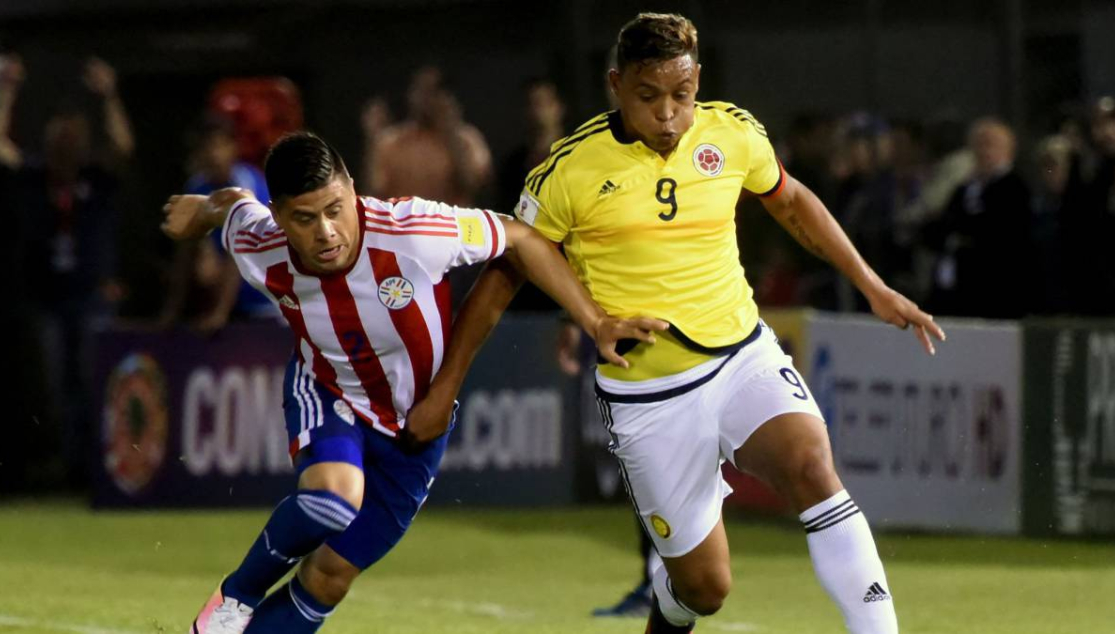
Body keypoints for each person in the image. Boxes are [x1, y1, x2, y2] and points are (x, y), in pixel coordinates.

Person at [403, 13, 944, 634]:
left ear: (697, 83)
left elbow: (789, 199)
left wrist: (871, 287)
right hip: (647, 394)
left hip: (743, 356)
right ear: (616, 84)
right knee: (705, 589)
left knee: (813, 470)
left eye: (681, 96)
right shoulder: (570, 169)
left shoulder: (733, 134)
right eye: (648, 96)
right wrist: (447, 385)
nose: (668, 113)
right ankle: (672, 596)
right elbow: (505, 274)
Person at [162, 132, 663, 633]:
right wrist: (206, 208)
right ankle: (235, 598)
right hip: (330, 391)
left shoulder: (415, 230)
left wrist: (594, 322)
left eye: (336, 209)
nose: (326, 232)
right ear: (281, 216)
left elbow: (524, 238)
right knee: (331, 499)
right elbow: (237, 206)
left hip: (413, 432)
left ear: (352, 188)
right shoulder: (262, 244)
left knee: (330, 577)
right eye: (305, 219)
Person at [159, 115, 276, 332]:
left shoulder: (247, 186)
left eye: (218, 145)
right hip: (228, 306)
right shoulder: (196, 188)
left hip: (266, 303)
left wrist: (219, 314)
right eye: (205, 147)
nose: (212, 154)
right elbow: (185, 253)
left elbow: (240, 252)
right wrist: (172, 311)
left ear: (233, 148)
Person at [927, 118, 1032, 319]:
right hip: (957, 289)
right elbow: (942, 225)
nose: (982, 152)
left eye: (989, 144)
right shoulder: (965, 188)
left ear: (1008, 150)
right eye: (977, 145)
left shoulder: (1014, 187)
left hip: (995, 289)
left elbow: (1000, 232)